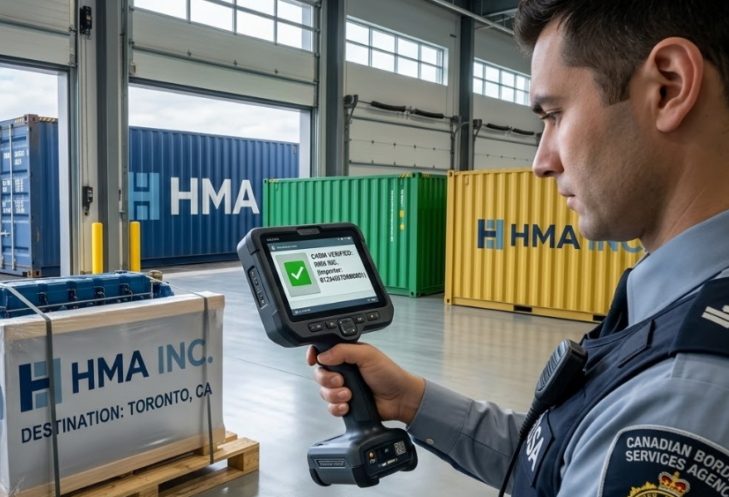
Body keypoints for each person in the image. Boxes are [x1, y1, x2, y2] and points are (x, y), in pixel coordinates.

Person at [308, 1, 729, 495]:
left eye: (554, 114)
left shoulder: (677, 403)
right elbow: (568, 460)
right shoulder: (682, 304)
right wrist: (414, 402)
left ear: (669, 87)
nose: (540, 161)